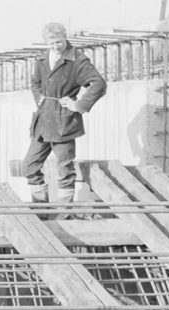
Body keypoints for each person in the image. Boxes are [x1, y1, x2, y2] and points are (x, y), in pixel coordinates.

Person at [21, 22, 106, 212]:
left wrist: (78, 105)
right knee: (29, 165)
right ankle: (41, 210)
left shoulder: (77, 59)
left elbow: (98, 84)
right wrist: (40, 100)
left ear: (65, 37)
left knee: (64, 170)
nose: (56, 47)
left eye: (59, 42)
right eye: (51, 43)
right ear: (46, 42)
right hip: (43, 122)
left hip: (64, 121)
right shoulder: (42, 59)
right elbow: (34, 83)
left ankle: (64, 215)